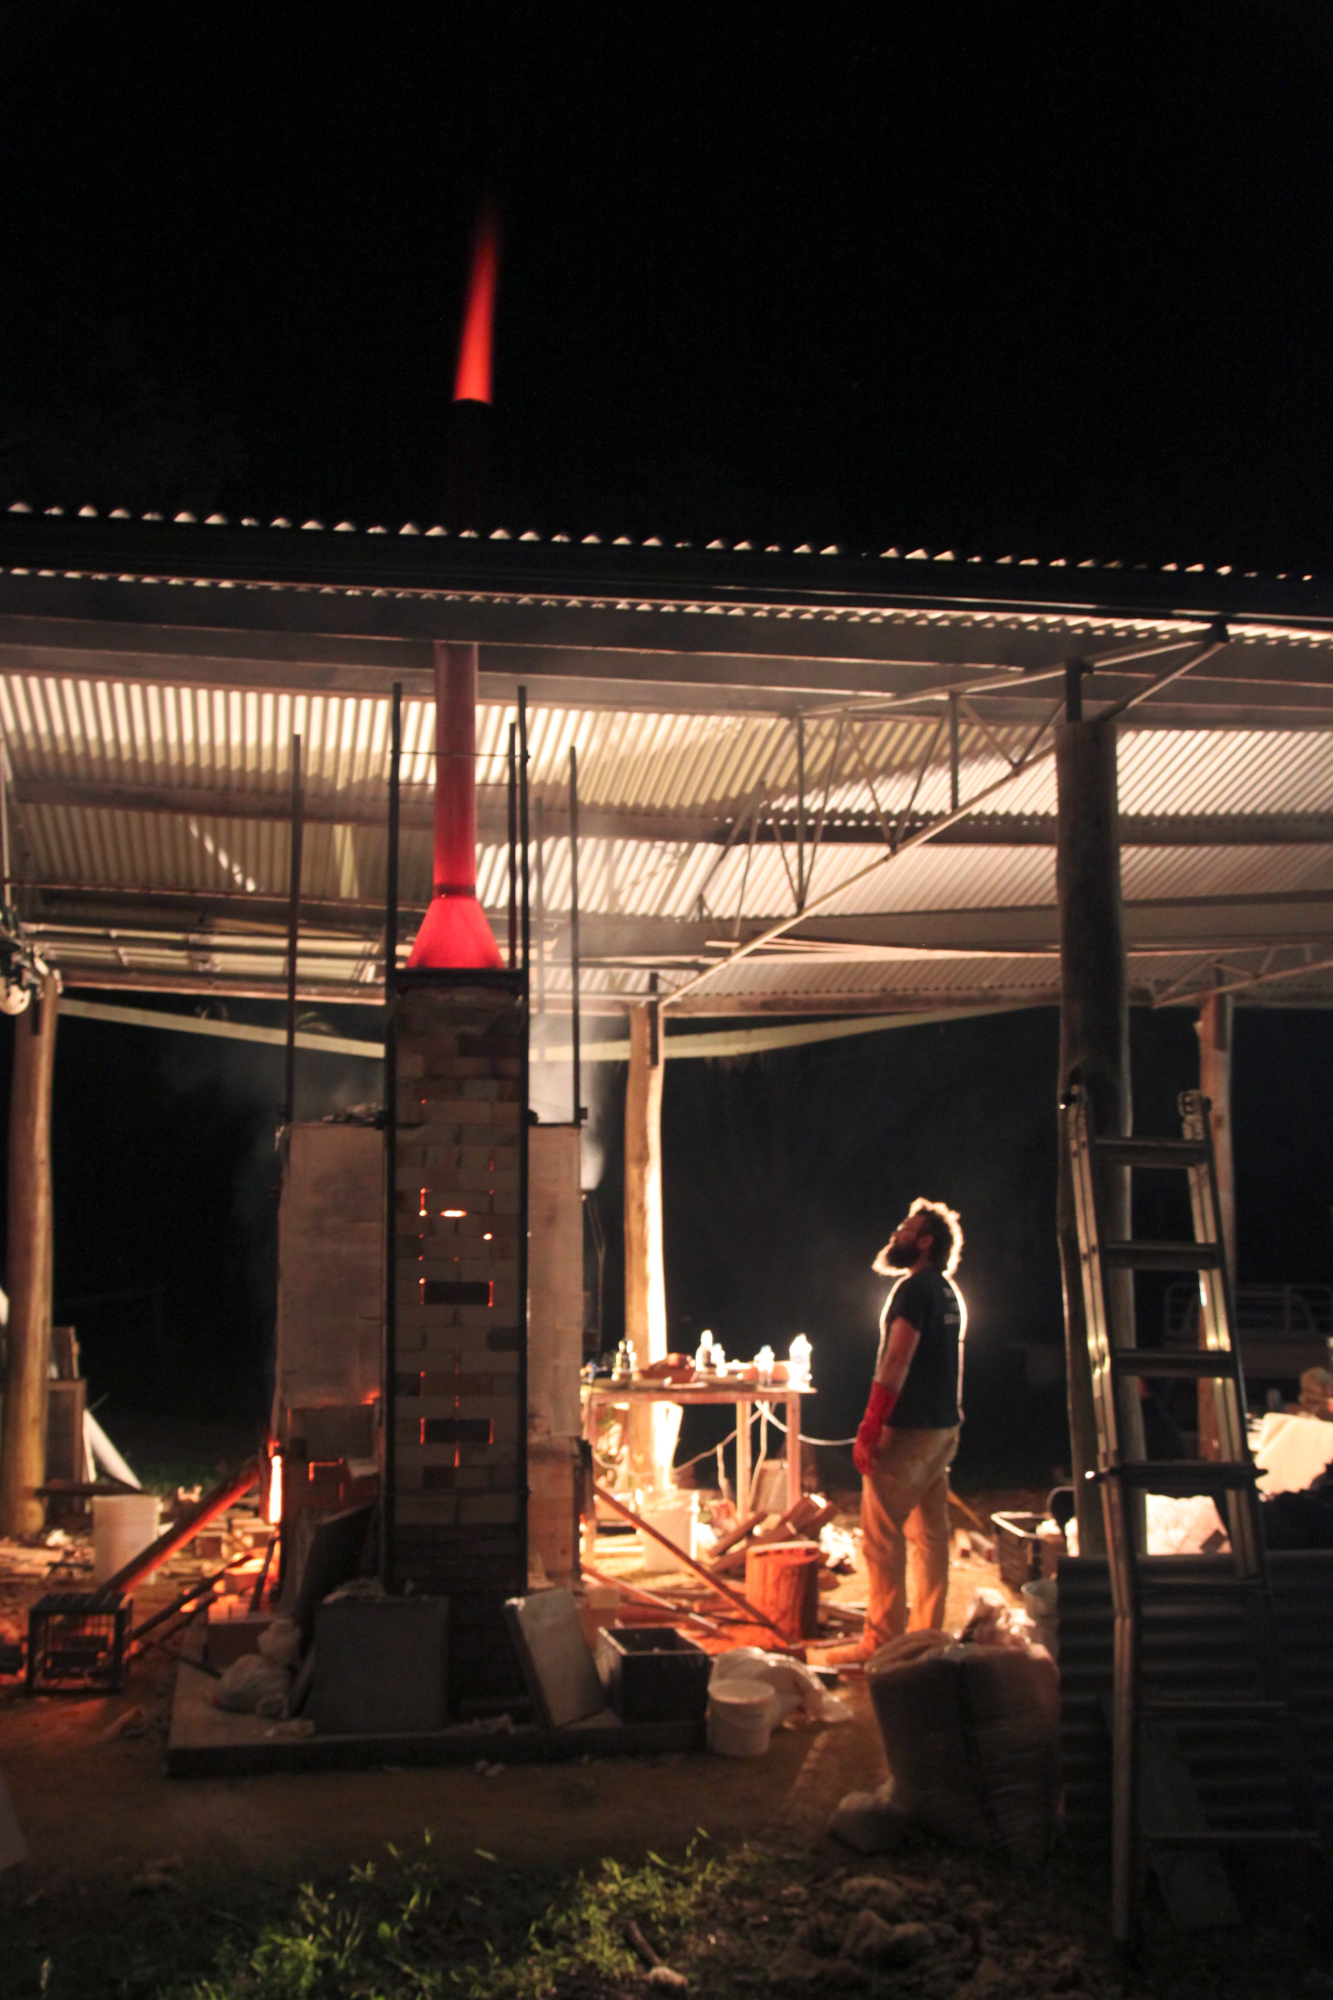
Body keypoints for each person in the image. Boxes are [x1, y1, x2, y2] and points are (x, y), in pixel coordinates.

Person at [819, 1197, 966, 1665]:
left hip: (908, 1431)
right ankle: (927, 1639)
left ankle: (880, 1645)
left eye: (906, 1229)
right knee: (931, 1536)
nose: (896, 1234)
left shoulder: (914, 1291)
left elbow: (897, 1359)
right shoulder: (947, 1291)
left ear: (925, 1242)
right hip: (943, 1428)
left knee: (881, 1537)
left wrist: (869, 1424)